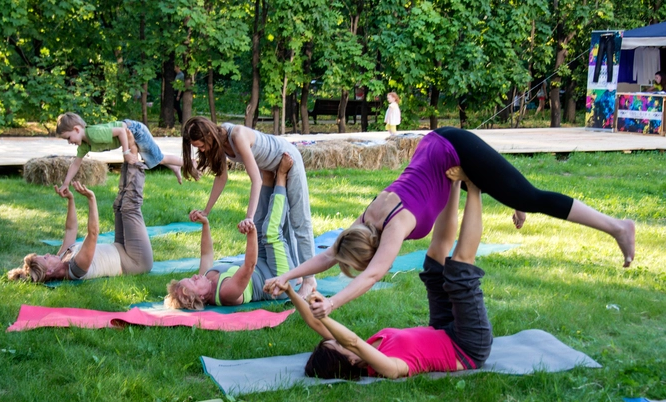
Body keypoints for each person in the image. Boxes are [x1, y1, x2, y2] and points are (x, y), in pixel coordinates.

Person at [265, 127, 636, 319]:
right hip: (437, 148)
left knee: (532, 198)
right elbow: (329, 254)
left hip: (452, 148)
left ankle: (618, 227)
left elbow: (374, 275)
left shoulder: (394, 226)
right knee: (515, 193)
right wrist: (287, 277)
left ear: (373, 249)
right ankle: (514, 197)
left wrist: (332, 304)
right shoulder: (364, 221)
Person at [271, 172, 491, 380]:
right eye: (338, 343)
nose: (338, 338)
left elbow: (316, 324)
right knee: (459, 271)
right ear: (348, 361)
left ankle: (454, 183)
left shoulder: (367, 346)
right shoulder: (388, 367)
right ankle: (474, 188)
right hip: (466, 346)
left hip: (441, 328)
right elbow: (352, 341)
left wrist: (289, 289)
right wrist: (326, 314)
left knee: (434, 261)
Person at [180, 116, 317, 298]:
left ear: (209, 135)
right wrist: (206, 211)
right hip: (269, 170)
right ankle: (295, 273)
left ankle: (309, 280)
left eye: (202, 145)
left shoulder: (236, 135)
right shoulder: (219, 143)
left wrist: (249, 217)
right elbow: (221, 178)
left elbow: (256, 180)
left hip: (288, 159)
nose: (202, 150)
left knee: (299, 221)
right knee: (278, 225)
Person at [164, 153, 298, 309]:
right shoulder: (226, 293)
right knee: (270, 233)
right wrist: (251, 232)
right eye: (193, 281)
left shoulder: (206, 278)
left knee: (258, 220)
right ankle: (281, 176)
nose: (194, 276)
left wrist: (205, 224)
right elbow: (249, 266)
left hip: (262, 263)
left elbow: (206, 254)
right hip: (279, 280)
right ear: (201, 297)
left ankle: (267, 177)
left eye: (190, 277)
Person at [8, 161, 153, 283]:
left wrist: (71, 200)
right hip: (134, 261)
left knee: (119, 207)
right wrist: (91, 199)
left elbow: (70, 229)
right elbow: (93, 234)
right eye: (46, 258)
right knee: (130, 208)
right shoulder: (76, 268)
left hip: (120, 247)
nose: (47, 253)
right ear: (50, 271)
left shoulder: (62, 256)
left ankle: (129, 159)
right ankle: (134, 159)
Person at [56, 112, 189, 189]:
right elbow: (76, 164)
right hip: (129, 132)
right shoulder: (84, 145)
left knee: (159, 158)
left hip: (135, 130)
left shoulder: (93, 134)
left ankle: (189, 163)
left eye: (68, 138)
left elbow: (121, 131)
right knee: (153, 159)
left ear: (77, 129)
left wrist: (126, 153)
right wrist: (66, 184)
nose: (69, 142)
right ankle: (175, 167)